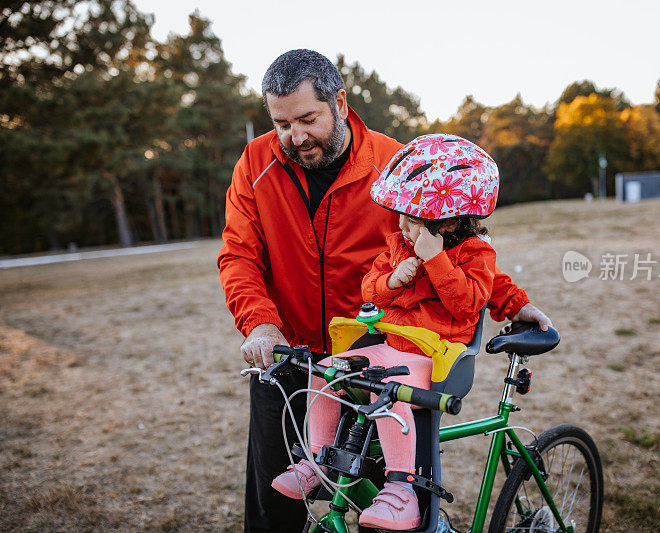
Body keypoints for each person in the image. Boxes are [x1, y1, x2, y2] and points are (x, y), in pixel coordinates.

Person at [217, 49, 552, 533]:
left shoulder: (398, 164)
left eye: (307, 119)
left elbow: (460, 248)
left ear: (340, 101)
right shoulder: (256, 162)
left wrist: (513, 302)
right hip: (290, 357)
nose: (295, 137)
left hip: (381, 354)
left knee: (394, 512)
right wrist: (260, 325)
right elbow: (238, 255)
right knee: (276, 510)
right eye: (281, 124)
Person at [271, 134, 501, 530]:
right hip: (391, 348)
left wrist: (435, 260)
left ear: (445, 222)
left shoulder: (476, 255)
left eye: (412, 222)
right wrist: (392, 281)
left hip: (437, 360)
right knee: (326, 372)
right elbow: (368, 288)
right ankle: (317, 459)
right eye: (402, 218)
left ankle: (403, 491)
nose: (403, 229)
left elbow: (467, 304)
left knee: (385, 391)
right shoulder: (398, 246)